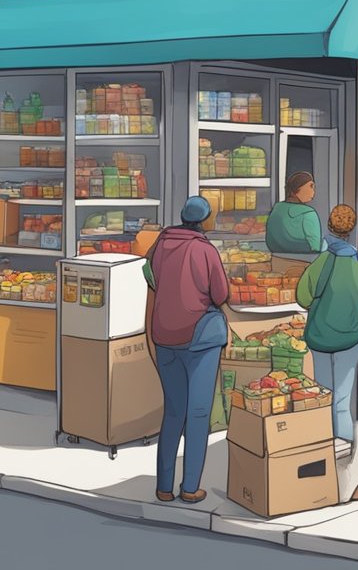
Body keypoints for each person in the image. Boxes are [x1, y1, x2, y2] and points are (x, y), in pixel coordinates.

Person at [144, 196, 229, 505]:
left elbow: (151, 282)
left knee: (174, 412)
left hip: (164, 337)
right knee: (197, 413)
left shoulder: (159, 245)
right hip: (200, 340)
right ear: (204, 220)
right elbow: (221, 294)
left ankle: (164, 486)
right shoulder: (205, 250)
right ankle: (190, 486)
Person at [297, 204, 358, 503]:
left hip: (320, 337)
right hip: (350, 339)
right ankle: (346, 479)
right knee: (342, 403)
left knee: (323, 398)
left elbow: (303, 296)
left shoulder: (320, 263)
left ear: (330, 229)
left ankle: (319, 469)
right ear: (352, 230)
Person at [266, 171, 324, 255]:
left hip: (276, 258)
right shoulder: (309, 213)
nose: (313, 191)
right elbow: (315, 247)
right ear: (297, 188)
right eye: (311, 186)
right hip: (305, 260)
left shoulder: (277, 208)